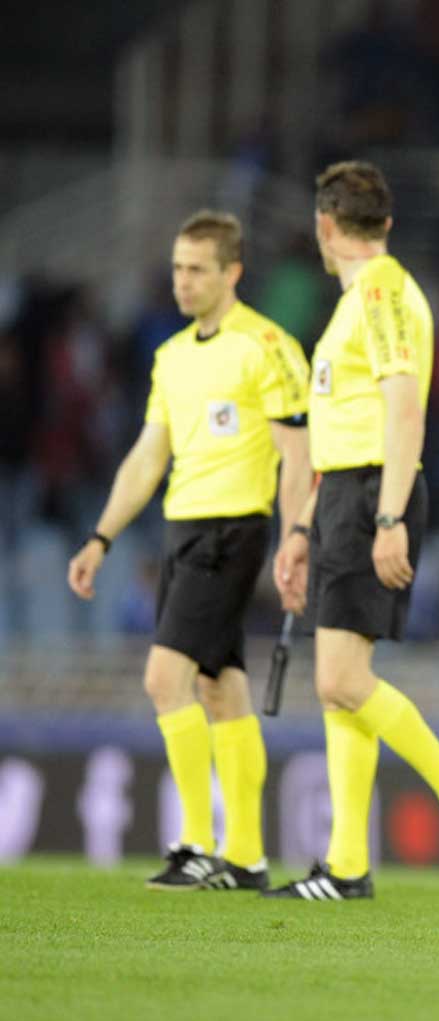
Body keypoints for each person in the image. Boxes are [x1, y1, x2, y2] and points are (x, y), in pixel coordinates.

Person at [270, 161, 439, 901]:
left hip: (376, 490)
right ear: (385, 222)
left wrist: (386, 517)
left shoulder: (378, 292)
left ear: (325, 226)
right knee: (338, 687)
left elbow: (403, 410)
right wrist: (305, 527)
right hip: (346, 492)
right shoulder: (363, 300)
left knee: (342, 679)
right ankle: (345, 865)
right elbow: (349, 427)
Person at [67, 210, 312, 891]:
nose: (183, 280)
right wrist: (101, 537)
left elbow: (298, 457)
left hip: (234, 529)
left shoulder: (268, 346)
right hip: (182, 530)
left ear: (232, 271)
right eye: (177, 267)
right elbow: (149, 457)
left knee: (162, 679)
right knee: (220, 688)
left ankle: (198, 844)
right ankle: (248, 858)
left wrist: (294, 535)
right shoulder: (171, 356)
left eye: (197, 268)